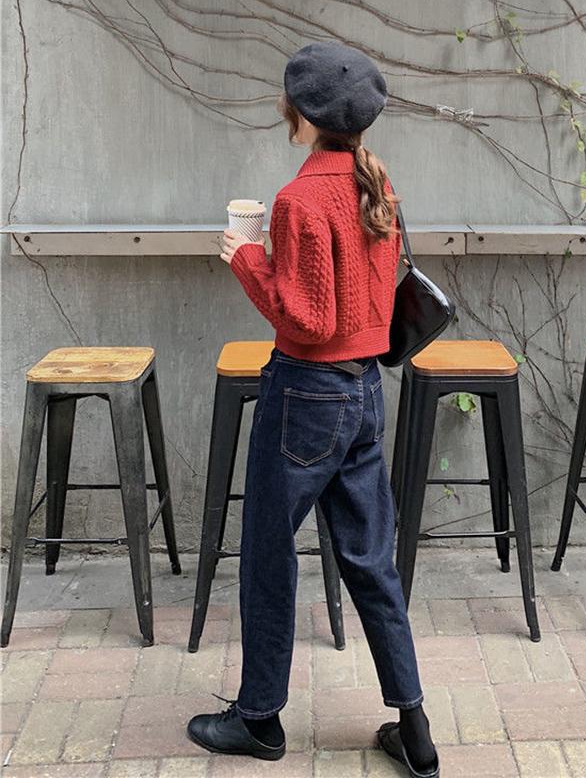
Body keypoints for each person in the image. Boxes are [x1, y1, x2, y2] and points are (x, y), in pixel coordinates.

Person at [186, 42, 439, 778]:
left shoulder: (300, 200)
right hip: (365, 395)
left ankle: (259, 719)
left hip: (305, 394)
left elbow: (307, 318)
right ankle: (415, 728)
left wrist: (245, 255)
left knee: (269, 552)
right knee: (371, 559)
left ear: (299, 113)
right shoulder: (375, 181)